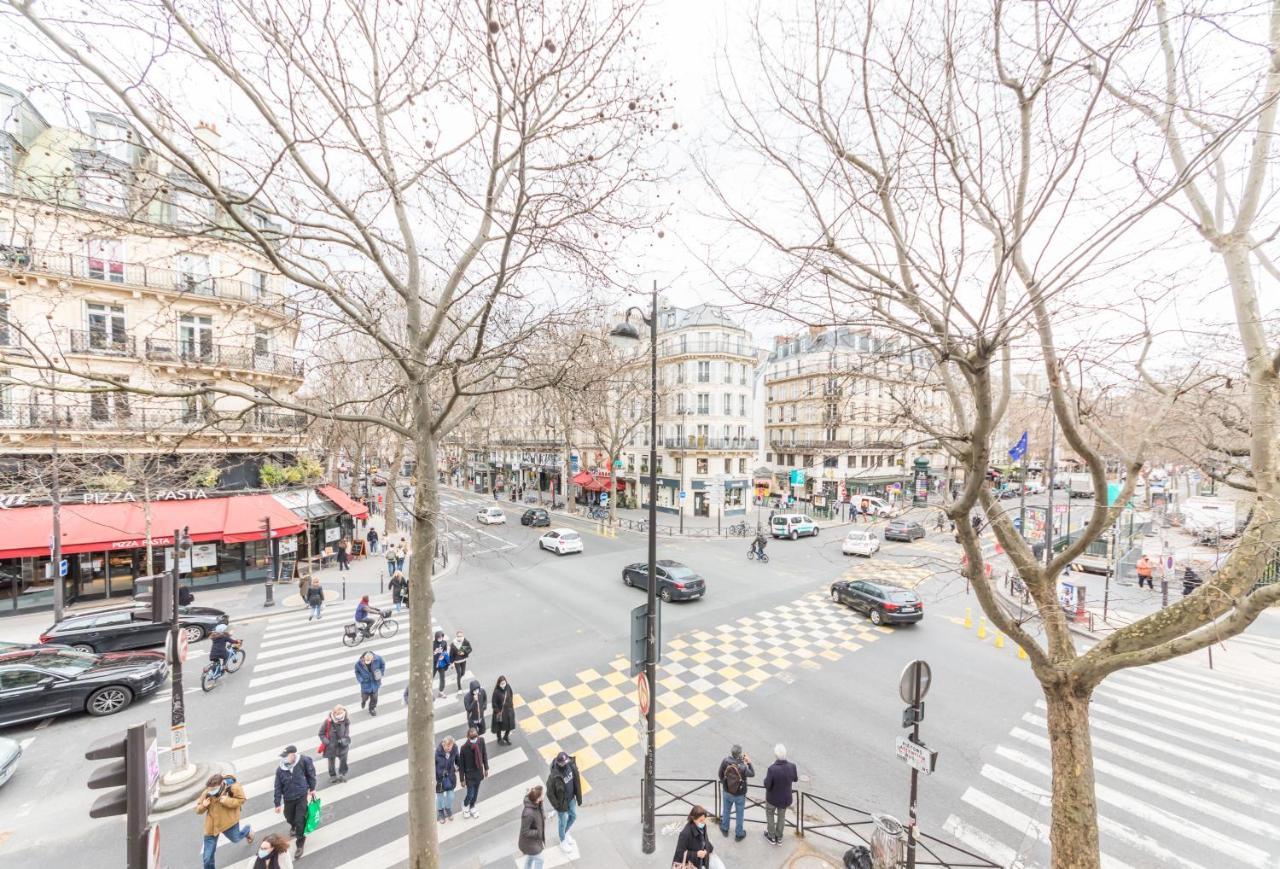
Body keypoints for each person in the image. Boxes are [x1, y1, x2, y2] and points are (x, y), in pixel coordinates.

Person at [195, 772, 253, 869]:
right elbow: (198, 810)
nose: (211, 792)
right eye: (209, 789)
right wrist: (203, 806)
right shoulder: (207, 792)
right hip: (212, 827)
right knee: (207, 858)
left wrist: (227, 800)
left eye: (214, 789)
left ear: (222, 784)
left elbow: (242, 800)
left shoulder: (234, 787)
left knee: (236, 838)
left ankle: (247, 830)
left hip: (229, 823)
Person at [272, 746, 316, 860]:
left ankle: (300, 843)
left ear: (292, 755)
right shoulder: (280, 769)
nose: (284, 759)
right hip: (288, 798)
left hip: (301, 795)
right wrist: (277, 803)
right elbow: (277, 786)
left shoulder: (304, 761)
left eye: (285, 756)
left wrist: (312, 788)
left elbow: (311, 774)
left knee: (300, 820)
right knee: (289, 817)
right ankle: (293, 826)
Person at [762, 743, 798, 845]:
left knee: (770, 815)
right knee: (781, 817)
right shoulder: (792, 766)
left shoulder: (772, 769)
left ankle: (771, 836)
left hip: (772, 798)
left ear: (776, 755)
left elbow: (767, 785)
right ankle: (779, 837)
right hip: (785, 798)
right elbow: (795, 779)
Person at [546, 751, 582, 852]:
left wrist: (577, 795)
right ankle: (563, 841)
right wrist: (557, 806)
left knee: (573, 816)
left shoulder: (570, 765)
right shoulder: (554, 775)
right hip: (561, 803)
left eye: (566, 761)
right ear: (558, 762)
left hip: (571, 799)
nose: (565, 764)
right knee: (562, 822)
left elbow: (576, 779)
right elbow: (549, 793)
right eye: (563, 763)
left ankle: (566, 833)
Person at [717, 744, 754, 840]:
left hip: (727, 791)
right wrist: (749, 763)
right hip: (740, 794)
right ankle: (739, 834)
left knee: (726, 810)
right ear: (739, 754)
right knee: (740, 814)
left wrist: (726, 783)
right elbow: (752, 774)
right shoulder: (742, 766)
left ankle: (725, 828)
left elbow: (720, 774)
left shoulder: (725, 761)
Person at [458, 726, 489, 818]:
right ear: (467, 736)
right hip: (469, 774)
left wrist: (486, 768)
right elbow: (462, 765)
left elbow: (484, 754)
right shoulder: (464, 748)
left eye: (475, 735)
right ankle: (465, 805)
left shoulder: (481, 741)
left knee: (475, 792)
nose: (474, 737)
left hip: (478, 772)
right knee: (470, 793)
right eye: (472, 736)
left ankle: (472, 806)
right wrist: (462, 779)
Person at [318, 704, 350, 782]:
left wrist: (345, 738)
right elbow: (320, 733)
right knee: (331, 762)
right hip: (331, 746)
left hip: (342, 745)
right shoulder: (327, 721)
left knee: (343, 761)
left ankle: (342, 774)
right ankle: (333, 775)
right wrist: (327, 742)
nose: (339, 716)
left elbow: (347, 731)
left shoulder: (346, 719)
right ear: (334, 713)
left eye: (341, 713)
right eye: (337, 714)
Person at [518, 784, 547, 869]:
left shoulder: (537, 803)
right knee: (540, 859)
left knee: (531, 858)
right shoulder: (528, 814)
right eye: (542, 794)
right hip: (529, 843)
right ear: (537, 798)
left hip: (533, 841)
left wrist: (541, 803)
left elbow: (541, 814)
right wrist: (538, 832)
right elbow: (525, 832)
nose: (544, 795)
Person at [435, 735, 460, 823]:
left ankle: (448, 808)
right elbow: (432, 766)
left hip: (450, 777)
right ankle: (441, 812)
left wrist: (459, 767)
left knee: (451, 796)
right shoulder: (437, 753)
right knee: (440, 798)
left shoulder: (454, 749)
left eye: (451, 746)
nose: (449, 749)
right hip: (440, 779)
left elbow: (457, 759)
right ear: (443, 744)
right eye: (447, 747)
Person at [354, 650, 385, 716]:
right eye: (366, 659)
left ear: (373, 658)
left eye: (369, 659)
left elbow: (383, 665)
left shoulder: (378, 659)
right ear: (363, 658)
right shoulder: (358, 664)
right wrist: (360, 679)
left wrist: (380, 673)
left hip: (375, 682)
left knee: (375, 698)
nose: (368, 660)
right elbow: (357, 672)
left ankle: (372, 709)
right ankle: (363, 701)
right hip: (365, 683)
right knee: (365, 697)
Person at [491, 676, 516, 744]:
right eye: (501, 683)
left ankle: (506, 736)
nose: (503, 685)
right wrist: (498, 711)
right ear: (499, 683)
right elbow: (494, 703)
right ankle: (499, 738)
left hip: (509, 711)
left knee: (510, 725)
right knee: (499, 726)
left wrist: (511, 705)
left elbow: (511, 695)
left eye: (504, 683)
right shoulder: (496, 692)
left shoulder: (508, 687)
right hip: (500, 712)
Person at [432, 631, 451, 699]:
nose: (440, 639)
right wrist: (434, 653)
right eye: (439, 637)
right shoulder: (432, 644)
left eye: (441, 637)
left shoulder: (444, 642)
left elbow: (445, 650)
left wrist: (443, 655)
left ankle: (441, 692)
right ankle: (428, 692)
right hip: (434, 664)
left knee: (442, 678)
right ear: (436, 637)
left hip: (441, 664)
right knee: (430, 678)